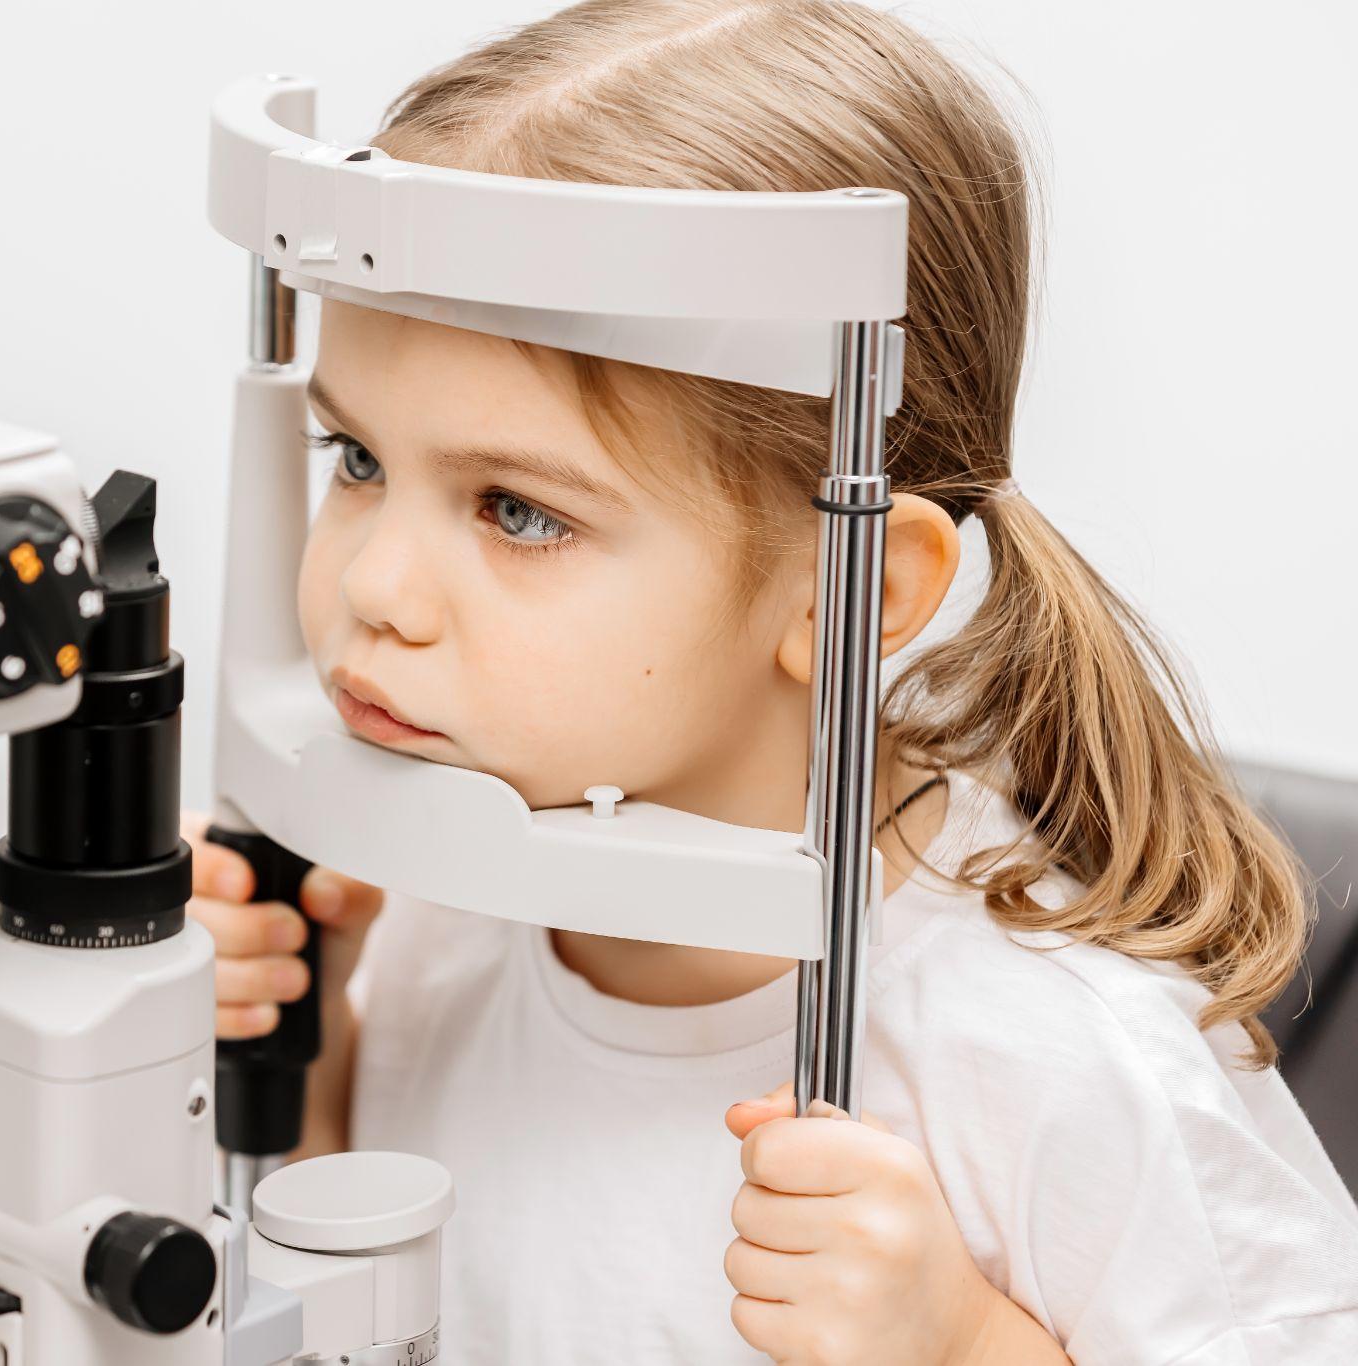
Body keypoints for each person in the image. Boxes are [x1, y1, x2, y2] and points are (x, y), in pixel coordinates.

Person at [186, 2, 1358, 1360]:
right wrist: (310, 1049)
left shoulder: (1053, 1060)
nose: (375, 586)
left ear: (845, 592)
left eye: (516, 510)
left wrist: (969, 1345)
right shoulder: (453, 889)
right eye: (358, 459)